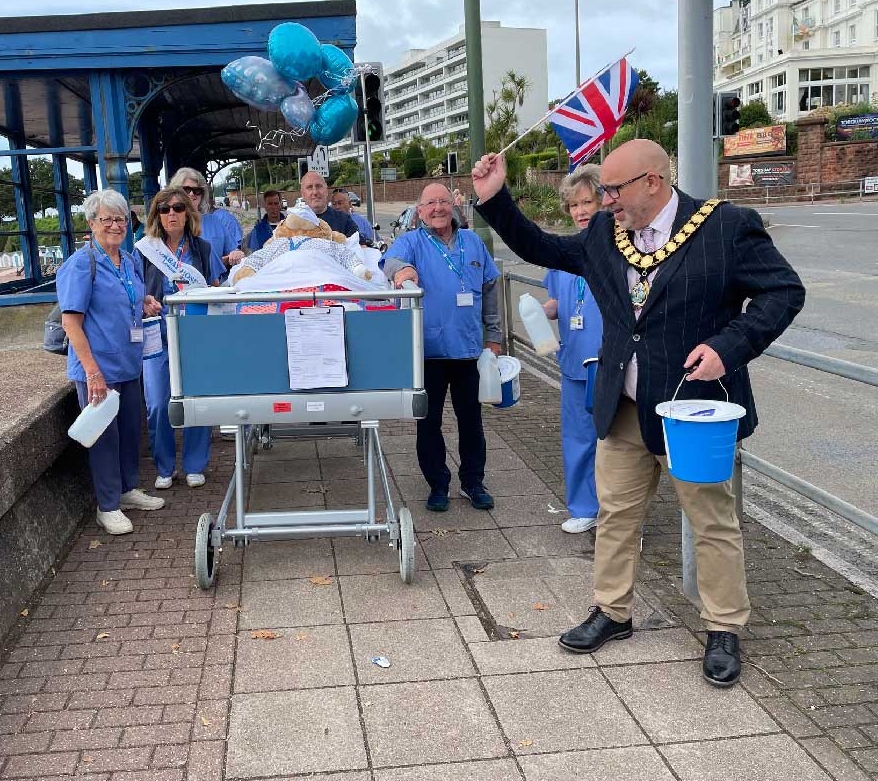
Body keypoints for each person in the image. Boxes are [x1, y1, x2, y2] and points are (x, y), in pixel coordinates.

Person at [471, 139, 805, 687]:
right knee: (616, 514)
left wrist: (730, 345)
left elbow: (784, 293)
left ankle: (723, 627)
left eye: (613, 190)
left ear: (653, 181)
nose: (603, 202)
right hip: (624, 407)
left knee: (712, 521)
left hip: (694, 411)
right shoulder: (607, 233)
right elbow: (543, 248)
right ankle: (612, 611)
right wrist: (495, 199)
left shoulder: (725, 226)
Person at [383, 183, 502, 512]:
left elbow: (491, 291)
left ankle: (473, 483)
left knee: (472, 421)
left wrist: (494, 338)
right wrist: (401, 270)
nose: (438, 208)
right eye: (430, 203)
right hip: (428, 352)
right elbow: (388, 262)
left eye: (444, 202)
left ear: (454, 206)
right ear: (419, 211)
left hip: (468, 351)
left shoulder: (473, 242)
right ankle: (438, 485)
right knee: (428, 423)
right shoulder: (411, 242)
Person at [57, 189, 165, 535]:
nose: (115, 226)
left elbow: (125, 299)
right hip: (97, 367)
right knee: (104, 438)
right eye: (107, 219)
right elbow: (70, 322)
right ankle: (108, 506)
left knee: (131, 431)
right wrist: (92, 372)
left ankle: (128, 488)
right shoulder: (81, 264)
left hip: (129, 363)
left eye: (121, 219)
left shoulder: (128, 260)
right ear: (91, 224)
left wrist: (143, 302)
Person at [135, 186, 224, 491]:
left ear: (188, 213)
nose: (171, 214)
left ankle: (195, 463)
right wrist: (145, 298)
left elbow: (214, 285)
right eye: (164, 209)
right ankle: (164, 465)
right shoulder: (144, 249)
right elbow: (136, 289)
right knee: (158, 402)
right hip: (157, 334)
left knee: (197, 398)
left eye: (177, 208)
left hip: (195, 332)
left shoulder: (203, 248)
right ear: (156, 216)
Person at [542, 165, 604, 534]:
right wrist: (540, 312)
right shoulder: (564, 253)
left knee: (617, 447)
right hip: (574, 362)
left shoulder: (621, 248)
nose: (580, 211)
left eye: (587, 202)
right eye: (574, 205)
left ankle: (621, 520)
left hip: (611, 363)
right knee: (579, 439)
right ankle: (584, 507)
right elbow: (556, 302)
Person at [169, 167, 245, 270]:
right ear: (176, 192)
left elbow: (233, 251)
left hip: (215, 284)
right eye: (186, 190)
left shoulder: (215, 222)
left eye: (197, 190)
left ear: (202, 194)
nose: (192, 194)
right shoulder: (167, 223)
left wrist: (237, 254)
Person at [300, 171, 359, 236]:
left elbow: (361, 244)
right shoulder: (293, 222)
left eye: (319, 186)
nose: (315, 192)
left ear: (326, 190)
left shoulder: (344, 220)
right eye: (309, 187)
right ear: (303, 194)